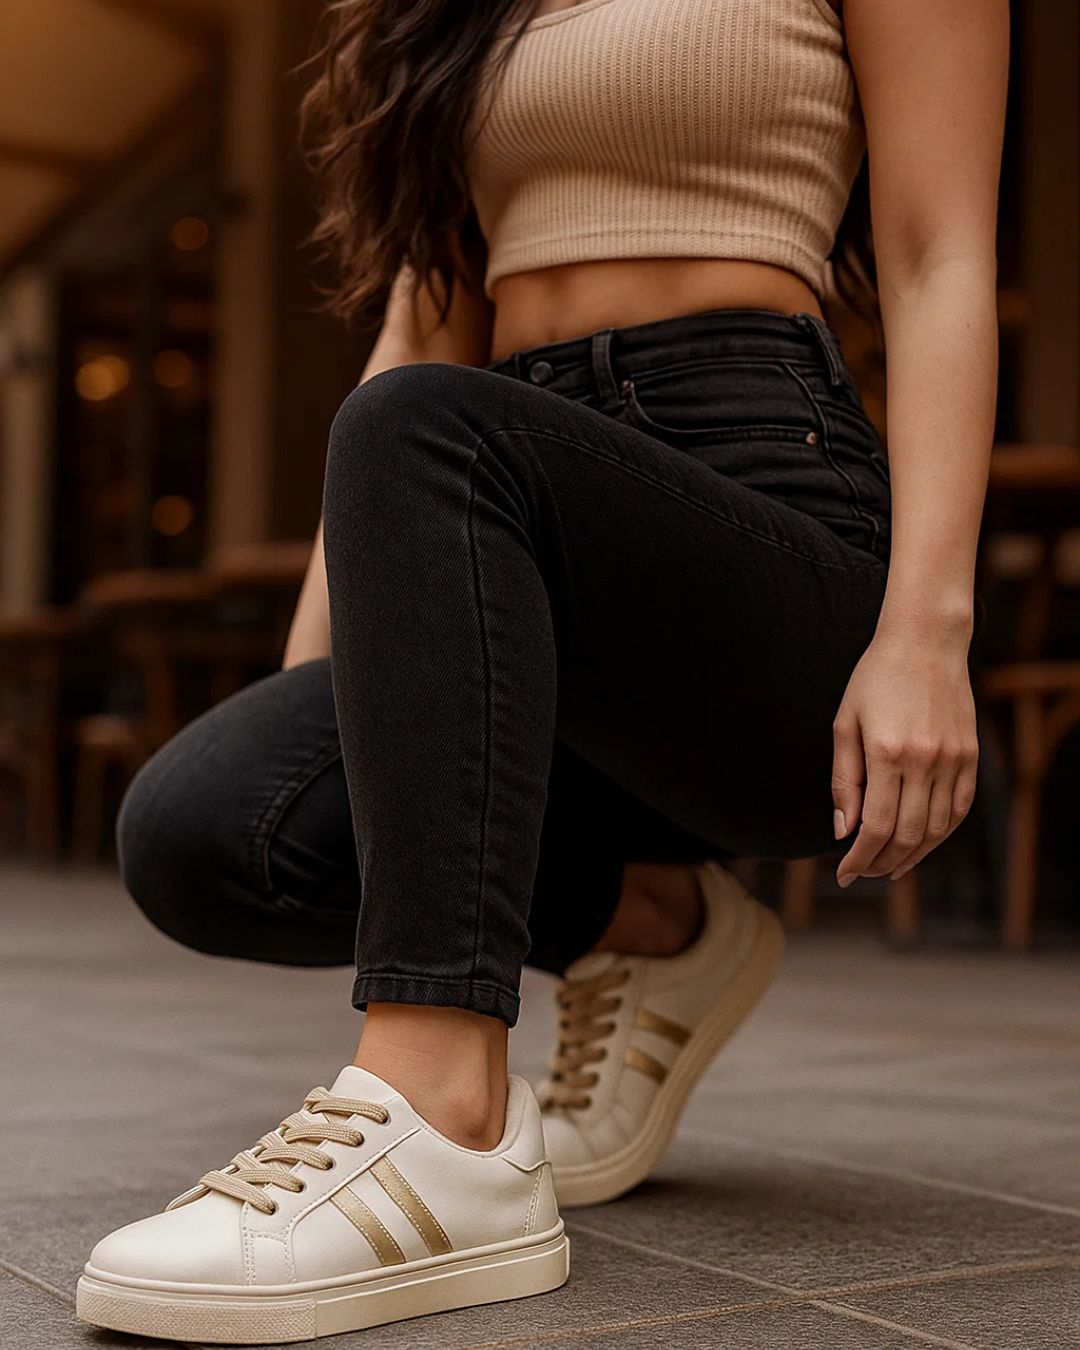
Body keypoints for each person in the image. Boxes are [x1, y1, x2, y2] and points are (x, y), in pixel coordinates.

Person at [76, 0, 1007, 1342]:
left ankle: (447, 1120)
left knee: (430, 432)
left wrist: (928, 630)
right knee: (205, 824)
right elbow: (421, 332)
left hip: (761, 521)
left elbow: (939, 256)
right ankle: (657, 920)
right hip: (496, 527)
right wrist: (318, 695)